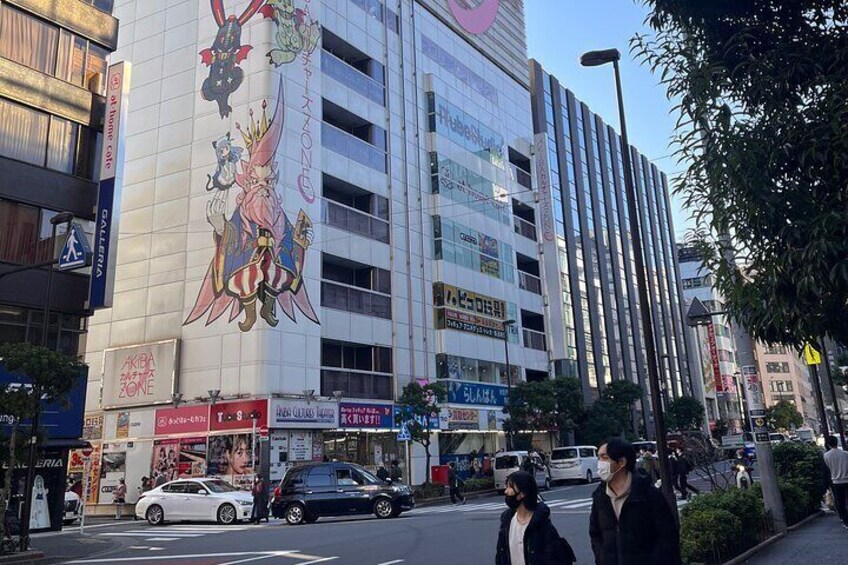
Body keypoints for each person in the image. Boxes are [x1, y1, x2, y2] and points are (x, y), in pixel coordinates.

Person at [589, 438, 680, 564]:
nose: (600, 463)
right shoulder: (600, 497)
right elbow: (595, 534)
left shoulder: (648, 494)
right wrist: (602, 557)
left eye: (604, 458)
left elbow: (667, 537)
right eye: (598, 458)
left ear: (621, 462)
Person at [495, 470, 576, 564]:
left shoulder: (542, 525)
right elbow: (500, 556)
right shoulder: (507, 522)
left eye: (510, 487)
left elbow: (553, 558)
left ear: (522, 494)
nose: (506, 491)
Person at [824, 435, 848, 529]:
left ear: (828, 444)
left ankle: (846, 521)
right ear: (836, 442)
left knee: (840, 502)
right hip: (847, 479)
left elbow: (828, 468)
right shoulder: (845, 454)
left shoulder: (826, 455)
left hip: (836, 481)